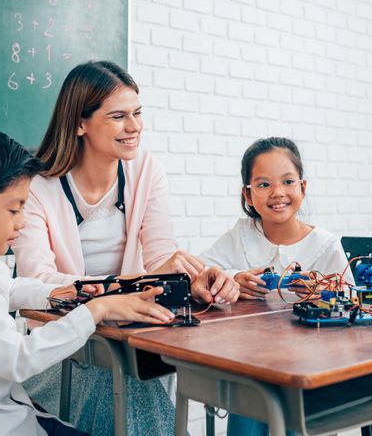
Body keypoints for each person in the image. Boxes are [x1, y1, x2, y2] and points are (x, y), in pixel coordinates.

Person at [0, 124, 174, 436]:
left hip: (4, 413)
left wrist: (60, 292)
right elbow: (18, 359)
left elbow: (7, 289)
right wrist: (96, 310)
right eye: (14, 210)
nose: (21, 223)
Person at [13, 60, 239, 435]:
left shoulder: (147, 171)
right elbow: (38, 281)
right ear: (80, 123)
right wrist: (126, 286)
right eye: (118, 116)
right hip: (61, 345)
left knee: (143, 365)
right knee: (128, 378)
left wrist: (195, 278)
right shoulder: (37, 186)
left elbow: (160, 258)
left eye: (137, 113)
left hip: (128, 335)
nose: (134, 127)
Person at [200, 137, 350, 435]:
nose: (277, 193)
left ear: (303, 188)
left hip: (308, 370)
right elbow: (201, 272)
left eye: (288, 182)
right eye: (264, 184)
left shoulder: (326, 245)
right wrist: (233, 277)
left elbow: (349, 300)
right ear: (248, 194)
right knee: (247, 414)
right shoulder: (241, 234)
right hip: (251, 368)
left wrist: (326, 296)